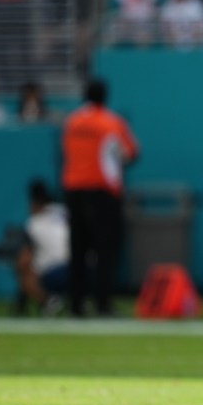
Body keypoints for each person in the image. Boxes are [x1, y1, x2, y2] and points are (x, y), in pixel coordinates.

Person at [62, 79, 139, 317]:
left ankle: (76, 304)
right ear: (105, 96)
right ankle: (103, 304)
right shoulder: (112, 122)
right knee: (106, 251)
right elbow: (131, 154)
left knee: (78, 251)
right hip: (102, 193)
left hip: (74, 191)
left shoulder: (72, 121)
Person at [15, 179, 70, 316]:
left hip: (58, 274)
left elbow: (24, 260)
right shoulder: (64, 211)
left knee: (24, 270)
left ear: (34, 203)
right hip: (86, 270)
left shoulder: (33, 223)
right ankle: (77, 301)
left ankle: (49, 302)